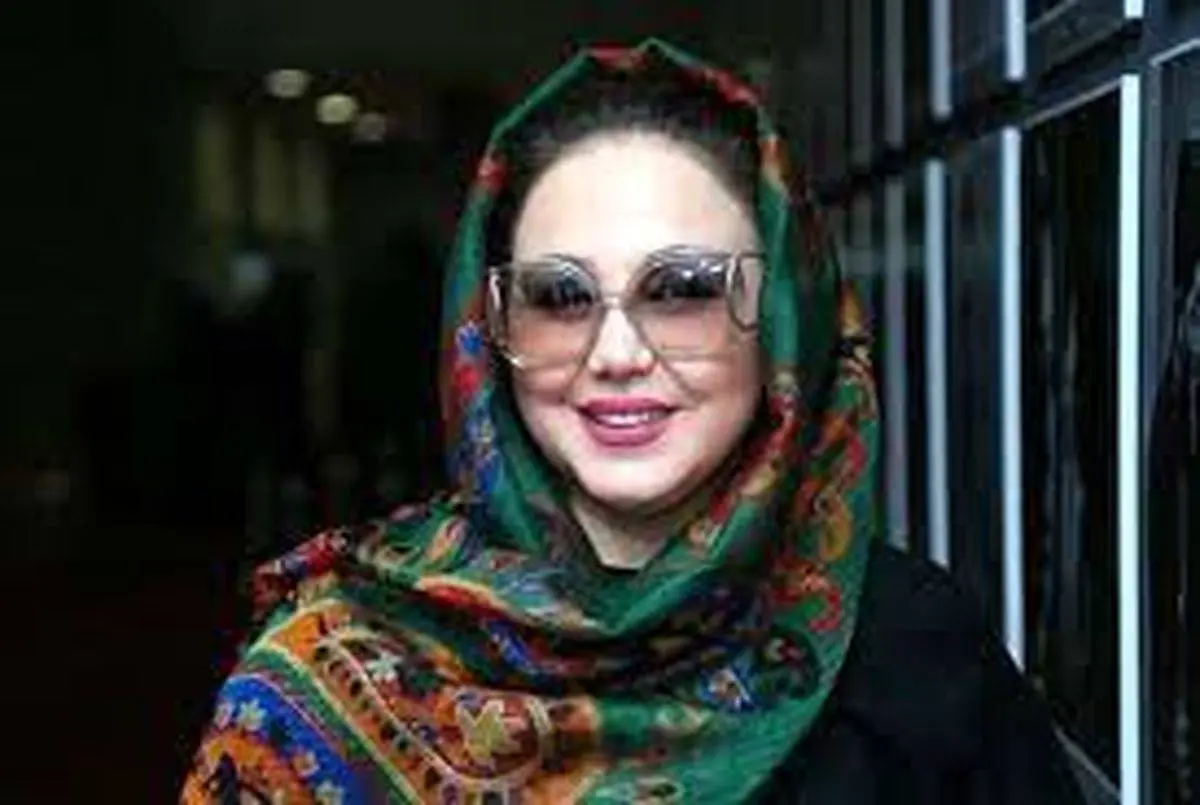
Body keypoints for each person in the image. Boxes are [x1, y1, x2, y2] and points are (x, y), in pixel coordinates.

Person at [180, 39, 1084, 803]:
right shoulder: (339, 655)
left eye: (683, 289)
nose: (616, 352)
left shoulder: (915, 653)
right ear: (489, 332)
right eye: (559, 296)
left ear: (782, 320)